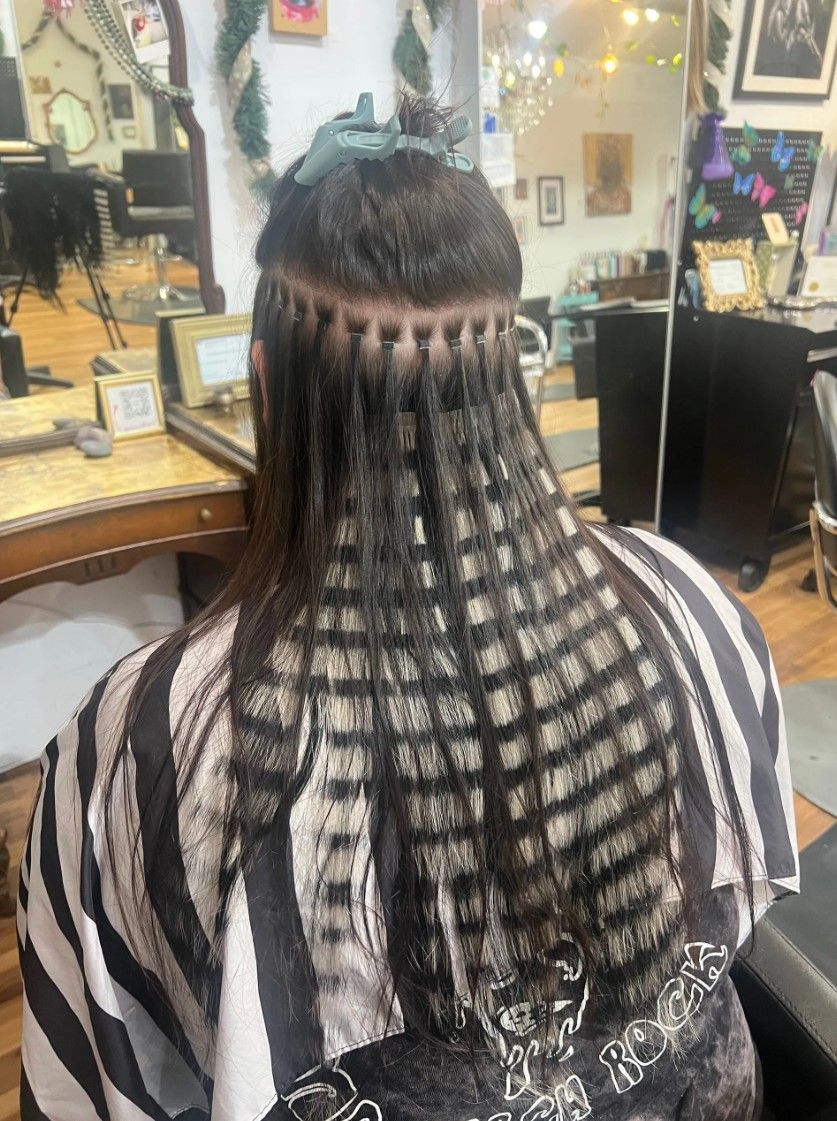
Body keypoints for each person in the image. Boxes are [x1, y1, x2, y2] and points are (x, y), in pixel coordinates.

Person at [19, 95, 798, 1121]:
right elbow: (734, 917)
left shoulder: (143, 738)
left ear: (266, 386)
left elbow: (104, 1086)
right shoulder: (692, 600)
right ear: (510, 376)